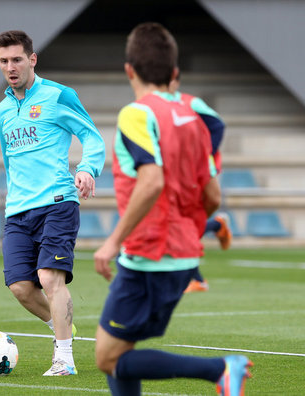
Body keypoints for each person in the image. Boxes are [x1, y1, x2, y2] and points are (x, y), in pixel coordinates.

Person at [93, 23, 252, 395]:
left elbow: (152, 181)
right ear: (175, 74)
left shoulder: (136, 114)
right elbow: (212, 196)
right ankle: (221, 370)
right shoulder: (193, 115)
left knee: (108, 359)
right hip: (182, 257)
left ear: (129, 70)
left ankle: (220, 369)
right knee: (121, 352)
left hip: (148, 254)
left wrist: (112, 242)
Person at [0, 30, 106, 376]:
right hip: (18, 211)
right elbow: (9, 161)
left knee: (48, 278)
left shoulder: (59, 95)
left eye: (16, 59)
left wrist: (87, 169)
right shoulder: (2, 111)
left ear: (32, 59)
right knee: (20, 287)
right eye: (3, 61)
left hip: (58, 203)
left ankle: (64, 359)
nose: (10, 67)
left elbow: (92, 136)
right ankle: (62, 324)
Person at [169, 73, 233, 293]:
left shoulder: (190, 102)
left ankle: (196, 278)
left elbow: (218, 126)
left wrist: (204, 157)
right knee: (180, 222)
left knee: (182, 222)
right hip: (178, 170)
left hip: (198, 170)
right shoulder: (159, 106)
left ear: (175, 81)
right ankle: (216, 226)